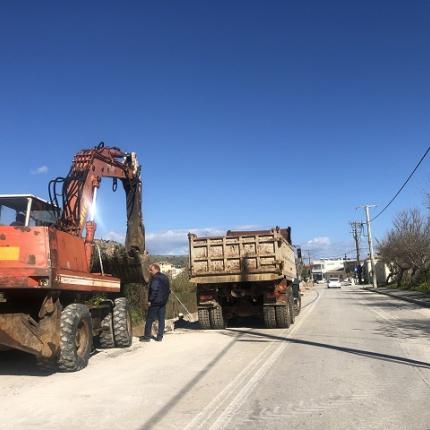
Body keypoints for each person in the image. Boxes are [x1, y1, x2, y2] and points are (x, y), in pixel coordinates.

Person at [141, 263, 171, 342]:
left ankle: (147, 337)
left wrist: (150, 300)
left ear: (155, 269)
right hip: (163, 302)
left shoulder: (155, 279)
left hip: (155, 302)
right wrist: (166, 299)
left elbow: (154, 290)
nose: (150, 271)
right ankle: (159, 337)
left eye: (151, 270)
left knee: (150, 319)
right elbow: (168, 290)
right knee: (161, 320)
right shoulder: (165, 277)